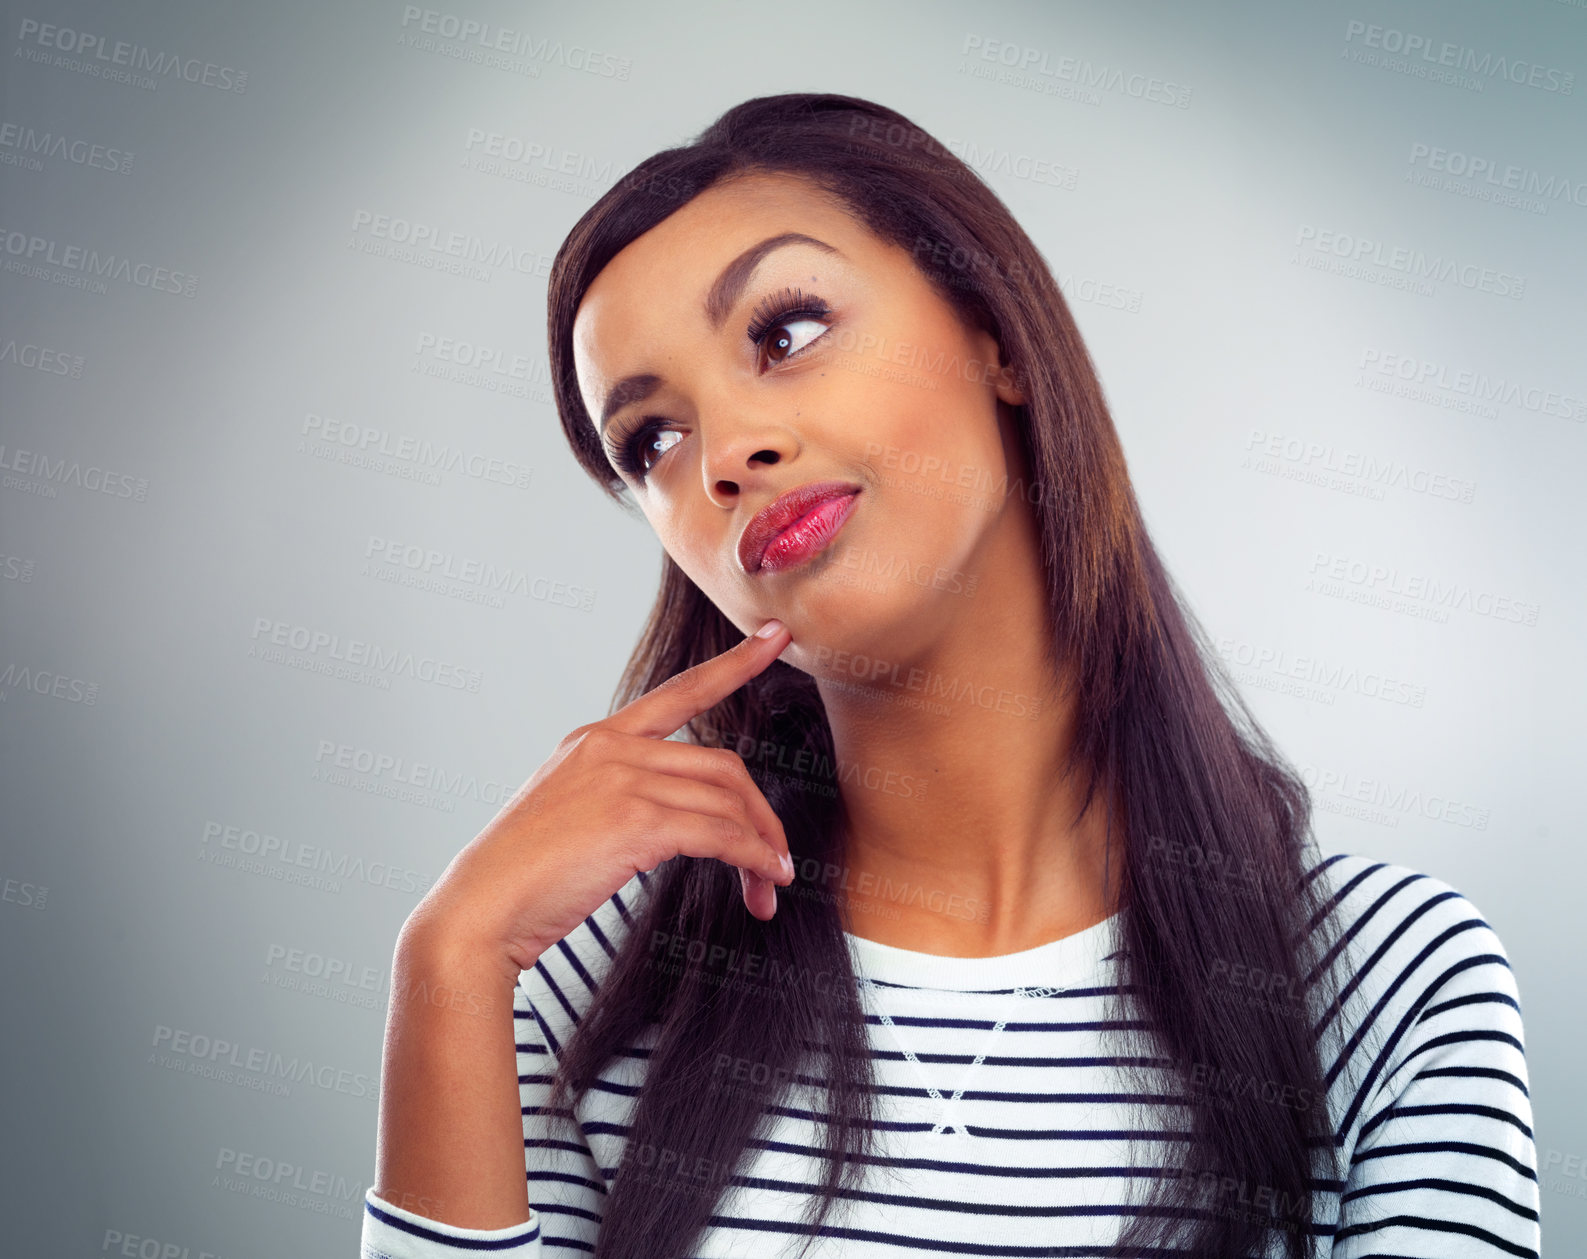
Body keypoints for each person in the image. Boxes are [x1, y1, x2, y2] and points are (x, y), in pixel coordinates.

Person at [359, 94, 1539, 1258]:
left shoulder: (1393, 988)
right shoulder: (574, 992)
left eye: (785, 332)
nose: (726, 455)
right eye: (652, 441)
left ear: (998, 338)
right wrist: (448, 961)